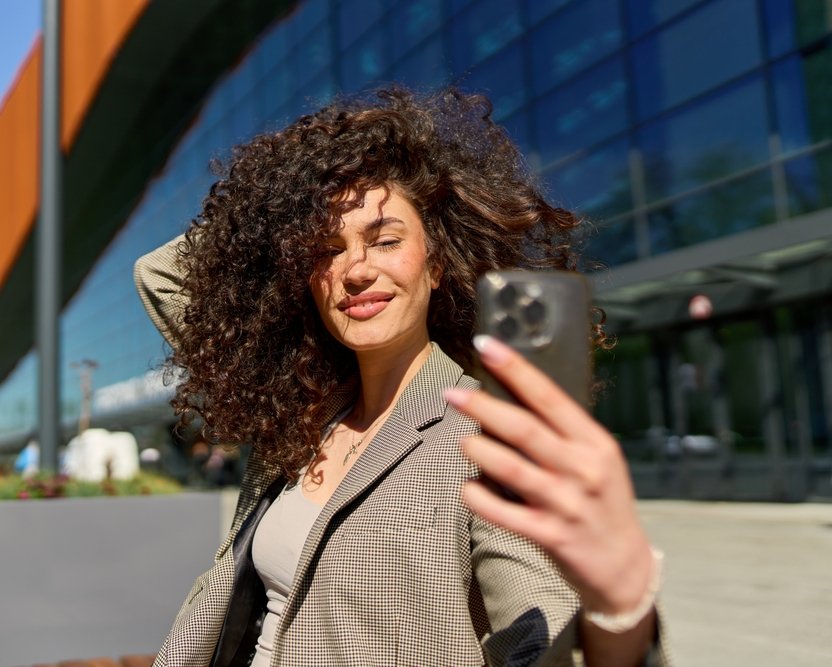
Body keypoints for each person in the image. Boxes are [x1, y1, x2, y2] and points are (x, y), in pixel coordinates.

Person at [135, 88, 669, 666]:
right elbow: (161, 275)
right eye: (325, 250)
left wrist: (620, 615)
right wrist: (277, 206)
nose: (356, 269)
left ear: (436, 263)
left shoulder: (482, 436)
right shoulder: (301, 410)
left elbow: (536, 641)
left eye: (385, 240)